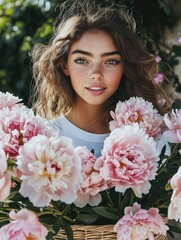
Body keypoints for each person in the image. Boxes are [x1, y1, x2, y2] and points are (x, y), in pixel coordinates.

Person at [30, 0, 170, 158]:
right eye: (82, 61)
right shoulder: (41, 140)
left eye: (111, 61)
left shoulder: (151, 140)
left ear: (124, 67)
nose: (96, 73)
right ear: (64, 66)